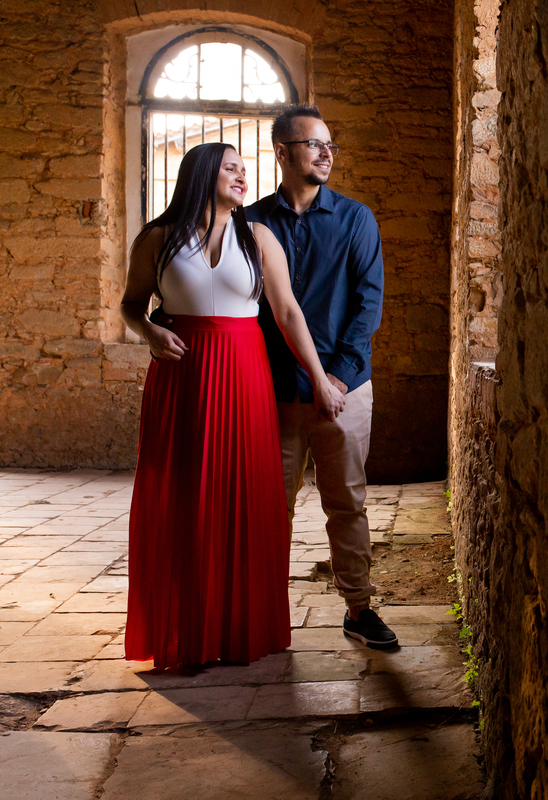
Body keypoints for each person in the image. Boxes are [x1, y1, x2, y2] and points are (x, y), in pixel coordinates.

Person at [121, 142, 346, 669]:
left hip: (245, 374)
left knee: (244, 496)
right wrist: (150, 333)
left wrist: (320, 379)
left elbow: (288, 313)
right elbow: (132, 305)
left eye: (246, 170)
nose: (243, 177)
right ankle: (186, 631)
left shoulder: (259, 236)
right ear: (202, 174)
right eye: (231, 168)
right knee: (184, 497)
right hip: (183, 378)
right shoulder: (157, 238)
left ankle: (241, 628)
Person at [246, 105, 397, 649]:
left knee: (347, 503)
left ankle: (359, 608)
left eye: (331, 144)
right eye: (315, 144)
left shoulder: (357, 219)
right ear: (283, 152)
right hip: (275, 393)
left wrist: (339, 377)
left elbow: (368, 304)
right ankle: (263, 613)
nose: (328, 154)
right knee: (269, 508)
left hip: (345, 390)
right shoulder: (252, 223)